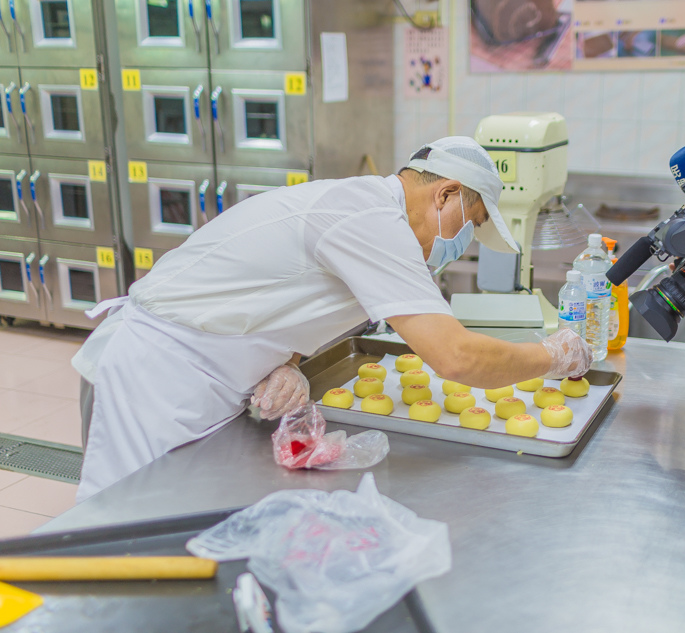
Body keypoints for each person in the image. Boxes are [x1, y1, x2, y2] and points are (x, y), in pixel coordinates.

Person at [72, 136, 592, 502]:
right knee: (120, 539)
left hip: (204, 382)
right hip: (154, 378)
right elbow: (453, 356)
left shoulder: (370, 215)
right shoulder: (370, 220)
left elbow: (295, 291)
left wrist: (289, 360)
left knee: (176, 536)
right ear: (446, 194)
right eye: (471, 223)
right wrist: (551, 356)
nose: (465, 242)